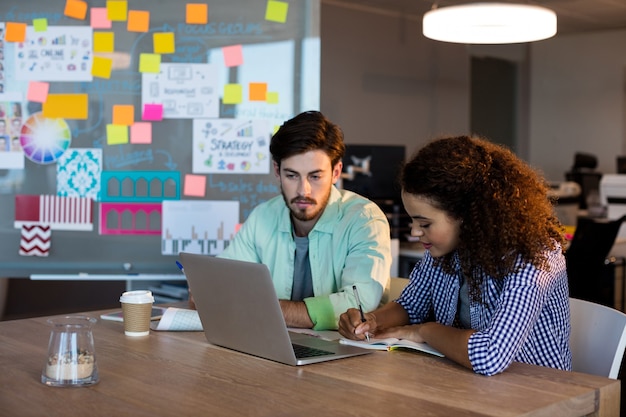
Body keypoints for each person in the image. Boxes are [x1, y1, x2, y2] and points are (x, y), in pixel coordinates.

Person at [339, 135, 571, 376]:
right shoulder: (444, 249)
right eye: (413, 220)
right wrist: (373, 321)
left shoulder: (532, 255)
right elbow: (411, 306)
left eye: (425, 223)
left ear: (466, 216)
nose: (415, 232)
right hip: (468, 383)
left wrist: (423, 331)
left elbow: (490, 356)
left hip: (537, 390)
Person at [213, 111, 392, 330]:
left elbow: (359, 304)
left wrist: (263, 308)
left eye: (315, 176)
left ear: (336, 172)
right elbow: (222, 284)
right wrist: (209, 291)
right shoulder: (263, 216)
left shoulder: (365, 220)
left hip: (349, 353)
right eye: (292, 175)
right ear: (277, 171)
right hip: (273, 343)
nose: (303, 190)